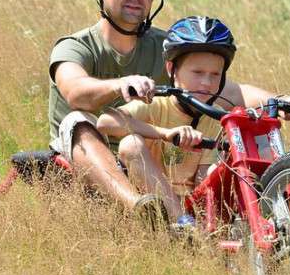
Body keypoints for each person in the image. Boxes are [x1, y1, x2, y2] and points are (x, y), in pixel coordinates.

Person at [48, 0, 290, 219]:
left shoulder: (168, 50)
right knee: (78, 121)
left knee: (238, 128)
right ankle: (140, 208)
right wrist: (121, 85)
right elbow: (76, 91)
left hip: (153, 158)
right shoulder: (75, 46)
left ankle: (282, 227)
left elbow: (230, 91)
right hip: (89, 155)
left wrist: (280, 101)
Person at [96, 16, 236, 228]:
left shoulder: (215, 116)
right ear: (172, 69)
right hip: (152, 198)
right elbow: (105, 122)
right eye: (197, 73)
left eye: (215, 74)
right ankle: (181, 221)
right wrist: (164, 134)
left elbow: (203, 178)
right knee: (130, 144)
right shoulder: (157, 105)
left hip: (190, 203)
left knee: (222, 166)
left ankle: (197, 227)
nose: (206, 83)